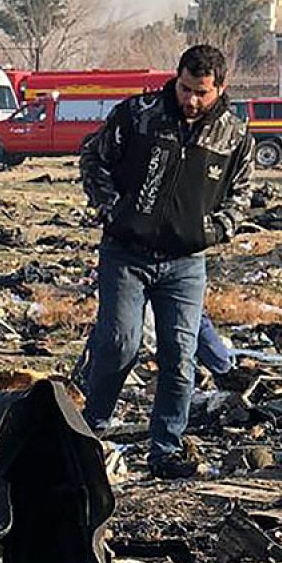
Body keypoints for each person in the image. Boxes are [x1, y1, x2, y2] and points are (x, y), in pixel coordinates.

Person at [77, 45, 254, 480]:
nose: (191, 100)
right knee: (119, 342)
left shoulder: (234, 137)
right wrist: (111, 209)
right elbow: (92, 158)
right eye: (185, 88)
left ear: (220, 89)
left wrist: (216, 230)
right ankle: (88, 430)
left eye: (202, 93)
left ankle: (166, 450)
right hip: (126, 253)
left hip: (185, 262)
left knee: (181, 355)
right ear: (175, 79)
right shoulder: (138, 115)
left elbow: (242, 194)